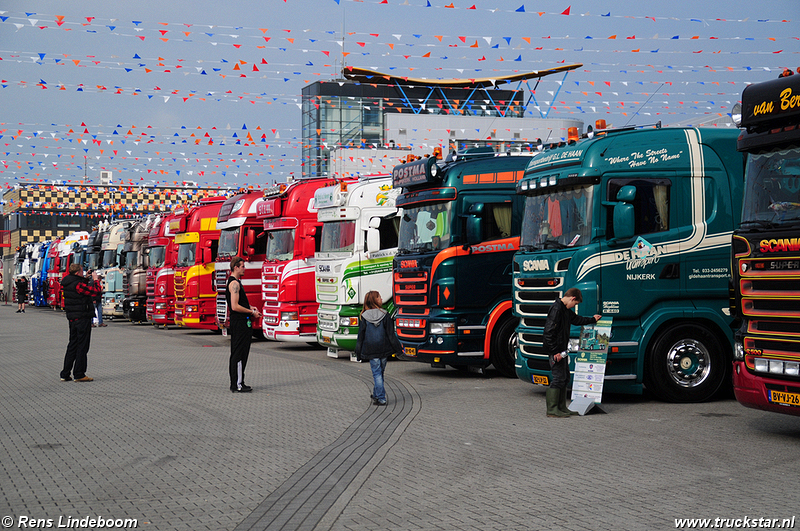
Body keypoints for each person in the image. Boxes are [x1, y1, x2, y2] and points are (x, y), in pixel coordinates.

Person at [543, 287, 601, 418]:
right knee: (558, 378)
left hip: (561, 350)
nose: (574, 306)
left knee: (565, 378)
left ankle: (562, 407)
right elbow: (548, 332)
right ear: (572, 298)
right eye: (575, 304)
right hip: (556, 351)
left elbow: (577, 320)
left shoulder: (565, 310)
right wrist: (555, 351)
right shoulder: (557, 309)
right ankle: (552, 409)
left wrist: (592, 319)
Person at [354, 291, 403, 406]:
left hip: (371, 350)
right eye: (379, 297)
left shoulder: (364, 317)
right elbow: (391, 335)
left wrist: (358, 352)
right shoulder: (385, 315)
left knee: (377, 374)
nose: (381, 298)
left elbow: (361, 336)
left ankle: (380, 397)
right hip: (384, 349)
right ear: (375, 300)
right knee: (380, 373)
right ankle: (378, 395)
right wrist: (398, 349)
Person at [60, 264, 102, 382]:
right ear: (78, 272)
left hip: (72, 318)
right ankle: (79, 373)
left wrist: (86, 277)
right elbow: (96, 291)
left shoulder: (68, 282)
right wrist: (95, 280)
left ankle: (65, 373)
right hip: (82, 317)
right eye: (82, 271)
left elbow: (79, 287)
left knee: (72, 345)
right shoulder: (78, 284)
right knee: (82, 346)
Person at [226, 256, 261, 393]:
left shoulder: (235, 283)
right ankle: (238, 384)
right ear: (236, 267)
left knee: (239, 352)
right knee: (240, 354)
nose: (244, 269)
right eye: (242, 266)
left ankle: (238, 382)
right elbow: (234, 306)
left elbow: (240, 304)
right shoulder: (234, 284)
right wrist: (251, 312)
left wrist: (250, 307)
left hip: (240, 322)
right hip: (240, 323)